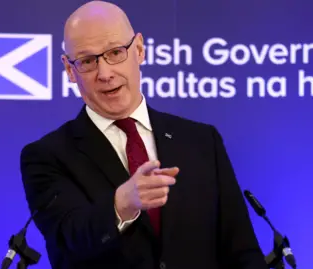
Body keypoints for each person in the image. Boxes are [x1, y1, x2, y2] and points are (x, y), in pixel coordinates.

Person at [20, 1, 268, 268]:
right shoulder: (47, 156)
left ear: (139, 49)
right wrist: (120, 205)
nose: (105, 74)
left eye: (115, 52)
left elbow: (242, 251)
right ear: (70, 70)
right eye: (88, 61)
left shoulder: (201, 141)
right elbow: (66, 241)